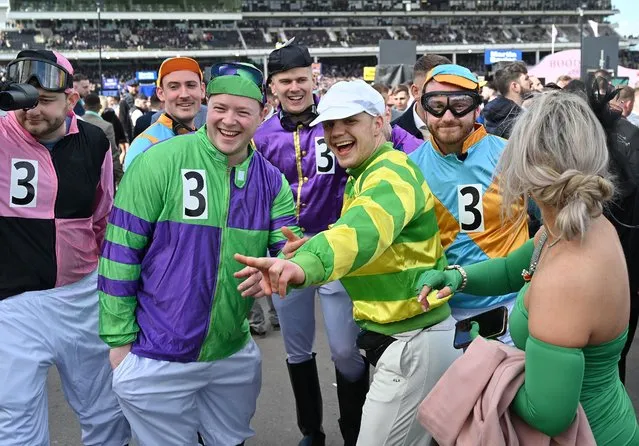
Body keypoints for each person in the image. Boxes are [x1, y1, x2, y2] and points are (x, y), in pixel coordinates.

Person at [236, 79, 460, 446]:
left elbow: (358, 235)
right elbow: (373, 233)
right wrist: (313, 245)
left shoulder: (388, 174)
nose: (336, 132)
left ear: (378, 122)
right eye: (328, 124)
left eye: (349, 121)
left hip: (413, 343)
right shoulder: (369, 174)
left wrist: (304, 264)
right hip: (410, 340)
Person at [416, 91, 639, 445]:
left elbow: (548, 414)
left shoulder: (567, 277)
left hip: (590, 435)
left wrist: (483, 358)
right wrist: (458, 277)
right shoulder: (579, 224)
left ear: (524, 169)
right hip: (607, 421)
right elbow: (510, 269)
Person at [98, 62, 300, 446]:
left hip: (231, 353)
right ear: (209, 103)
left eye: (243, 112)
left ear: (264, 112)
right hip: (155, 353)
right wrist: (119, 344)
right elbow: (119, 255)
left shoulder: (272, 181)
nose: (229, 121)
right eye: (221, 108)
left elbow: (287, 247)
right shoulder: (158, 161)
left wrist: (292, 263)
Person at [0, 49, 130, 446]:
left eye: (42, 101)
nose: (30, 111)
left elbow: (103, 215)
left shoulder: (93, 140)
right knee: (15, 414)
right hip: (13, 302)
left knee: (106, 409)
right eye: (23, 99)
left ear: (71, 100)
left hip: (81, 296)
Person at [252, 41, 368, 446]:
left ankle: (355, 431)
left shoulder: (337, 122)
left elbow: (383, 139)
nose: (295, 88)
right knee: (297, 349)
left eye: (302, 79)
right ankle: (311, 432)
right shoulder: (262, 136)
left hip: (336, 249)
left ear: (313, 77)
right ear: (273, 86)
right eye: (286, 81)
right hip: (287, 252)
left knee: (344, 350)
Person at [409, 64, 529, 343]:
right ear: (423, 109)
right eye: (436, 106)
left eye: (459, 105)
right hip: (442, 316)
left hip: (514, 311)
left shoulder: (512, 155)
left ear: (476, 108)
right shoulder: (408, 169)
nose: (447, 116)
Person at [123, 56, 205, 171]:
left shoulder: (207, 141)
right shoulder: (144, 145)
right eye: (174, 87)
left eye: (191, 85)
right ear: (160, 93)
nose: (184, 94)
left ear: (202, 90)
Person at [392, 54, 452, 140]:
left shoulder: (468, 129)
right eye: (435, 91)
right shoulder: (392, 135)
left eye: (450, 89)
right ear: (415, 92)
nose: (444, 96)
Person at [482, 61, 532, 139]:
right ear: (515, 86)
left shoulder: (495, 115)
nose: (531, 82)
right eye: (526, 79)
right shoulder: (517, 123)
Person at [83, 93, 124, 187]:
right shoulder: (106, 126)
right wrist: (120, 177)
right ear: (100, 106)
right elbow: (113, 153)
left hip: (81, 175)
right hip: (102, 177)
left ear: (84, 106)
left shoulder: (77, 123)